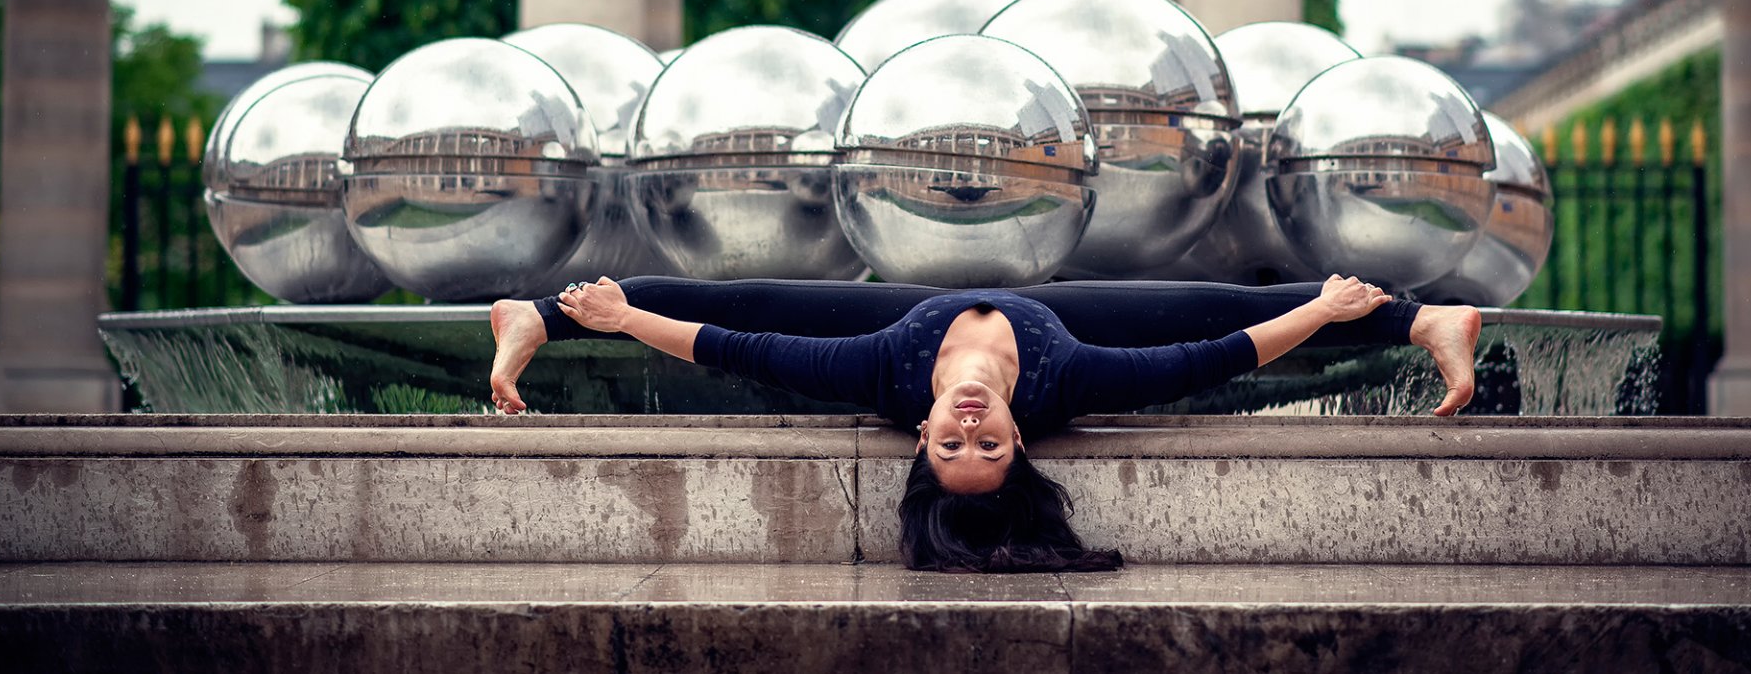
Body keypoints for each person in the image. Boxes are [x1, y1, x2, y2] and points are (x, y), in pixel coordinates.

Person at [488, 275, 1481, 572]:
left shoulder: (886, 371)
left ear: (919, 436)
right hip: (1057, 315)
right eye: (988, 444)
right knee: (1213, 304)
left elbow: (732, 344)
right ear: (1019, 439)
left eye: (953, 443)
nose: (968, 423)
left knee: (739, 298)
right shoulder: (1066, 381)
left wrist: (612, 320)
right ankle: (1428, 316)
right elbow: (1207, 363)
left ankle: (529, 311)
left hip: (917, 309)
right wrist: (1326, 311)